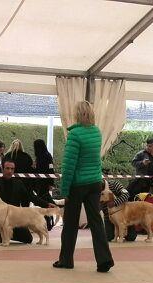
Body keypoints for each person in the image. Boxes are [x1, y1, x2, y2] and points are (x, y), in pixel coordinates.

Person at [53, 101, 114, 273]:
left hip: (78, 185)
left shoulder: (74, 134)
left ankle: (66, 260)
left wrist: (65, 190)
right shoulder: (97, 132)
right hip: (95, 182)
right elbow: (96, 160)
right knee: (96, 222)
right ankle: (104, 260)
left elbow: (68, 165)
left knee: (70, 224)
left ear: (77, 114)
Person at [0, 159, 56, 244]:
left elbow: (30, 196)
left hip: (16, 219)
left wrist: (46, 204)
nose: (10, 171)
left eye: (12, 169)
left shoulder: (18, 183)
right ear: (2, 169)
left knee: (28, 239)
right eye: (7, 168)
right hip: (1, 220)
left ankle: (6, 233)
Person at [101, 178, 137, 242]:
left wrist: (114, 203)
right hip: (108, 216)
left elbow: (126, 194)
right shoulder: (95, 191)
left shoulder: (114, 184)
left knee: (131, 237)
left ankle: (123, 232)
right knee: (108, 238)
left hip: (124, 215)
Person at [33, 139, 56, 230]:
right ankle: (49, 219)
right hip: (43, 182)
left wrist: (50, 182)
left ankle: (48, 219)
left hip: (41, 183)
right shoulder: (47, 155)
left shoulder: (42, 156)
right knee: (44, 200)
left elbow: (50, 170)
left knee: (43, 201)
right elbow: (51, 170)